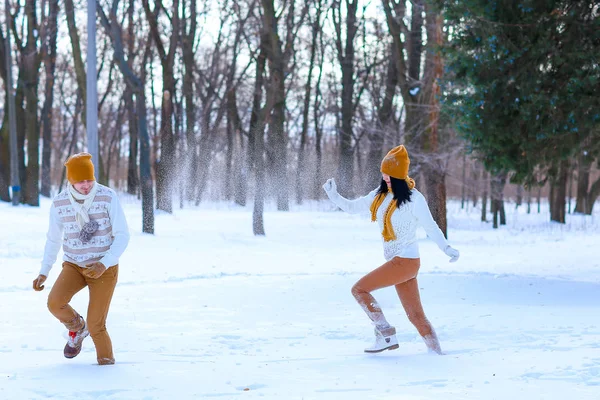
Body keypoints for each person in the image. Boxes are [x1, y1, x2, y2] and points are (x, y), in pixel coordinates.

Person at [323, 145, 459, 354]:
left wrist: (446, 247)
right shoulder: (379, 195)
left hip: (405, 261)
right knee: (416, 316)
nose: (385, 177)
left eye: (390, 174)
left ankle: (385, 332)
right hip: (400, 264)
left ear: (400, 175)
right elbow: (353, 207)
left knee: (359, 289)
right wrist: (335, 196)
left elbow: (430, 227)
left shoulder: (414, 198)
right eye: (384, 173)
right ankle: (437, 354)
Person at [32, 152, 130, 365]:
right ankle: (77, 328)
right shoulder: (59, 203)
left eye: (89, 180)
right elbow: (53, 239)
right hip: (74, 265)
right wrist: (44, 271)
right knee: (55, 303)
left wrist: (104, 263)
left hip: (105, 267)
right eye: (80, 181)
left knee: (97, 325)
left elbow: (123, 235)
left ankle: (106, 366)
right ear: (71, 181)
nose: (86, 185)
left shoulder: (107, 196)